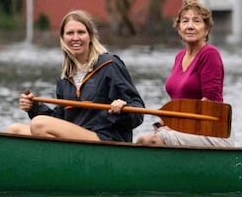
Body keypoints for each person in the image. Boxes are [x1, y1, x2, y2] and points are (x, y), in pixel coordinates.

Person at [7, 9, 145, 142]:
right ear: (63, 38)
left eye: (81, 32)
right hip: (77, 139)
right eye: (70, 33)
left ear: (90, 36)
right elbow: (60, 120)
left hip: (106, 139)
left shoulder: (110, 65)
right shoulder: (66, 77)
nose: (75, 38)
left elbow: (138, 111)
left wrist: (123, 108)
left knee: (39, 124)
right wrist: (34, 107)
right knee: (15, 130)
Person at [136, 0, 234, 147]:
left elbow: (210, 103)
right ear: (179, 29)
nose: (190, 26)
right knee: (144, 139)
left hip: (212, 132)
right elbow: (176, 105)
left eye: (196, 21)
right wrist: (160, 124)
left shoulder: (210, 54)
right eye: (185, 21)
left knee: (152, 141)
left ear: (206, 29)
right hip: (182, 129)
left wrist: (172, 127)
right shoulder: (179, 56)